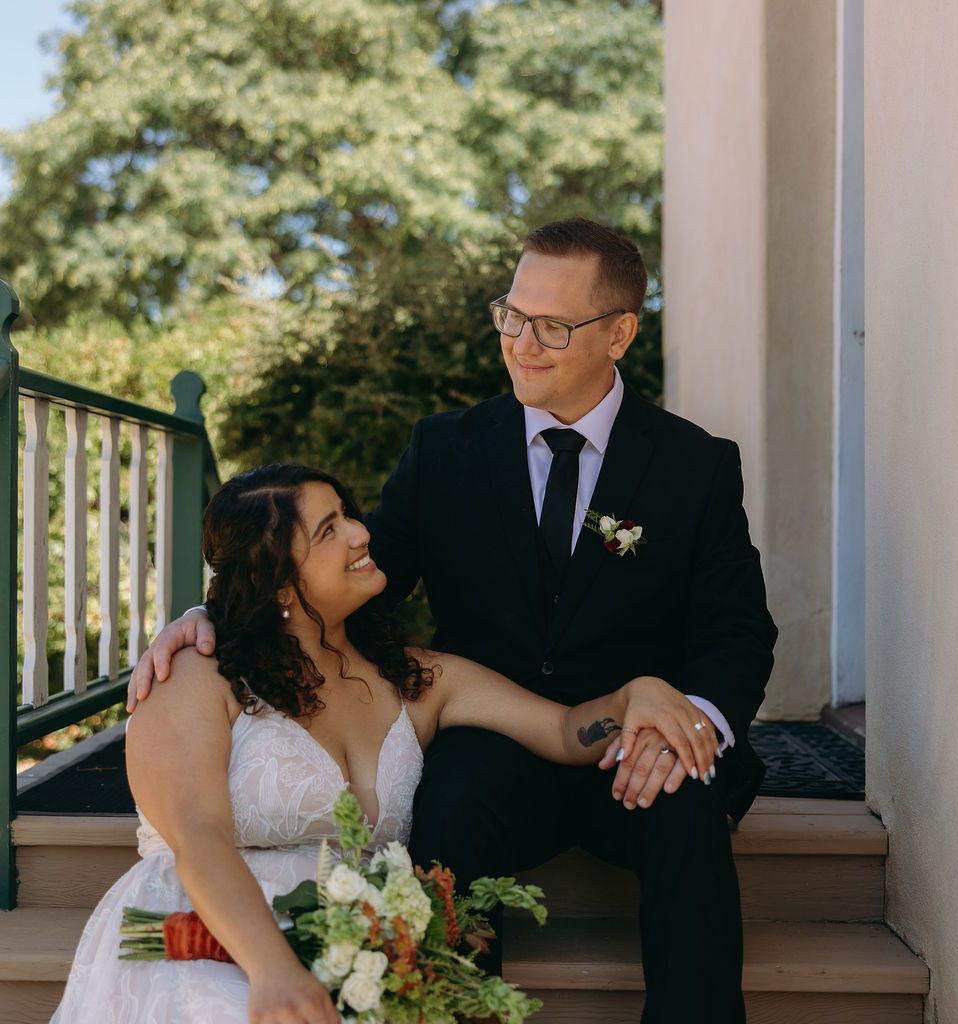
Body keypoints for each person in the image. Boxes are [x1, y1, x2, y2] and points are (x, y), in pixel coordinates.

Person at [129, 217, 779, 1023]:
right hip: (491, 739)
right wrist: (219, 612)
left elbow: (738, 631)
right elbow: (356, 575)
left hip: (633, 738)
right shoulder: (445, 449)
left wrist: (693, 722)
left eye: (552, 326)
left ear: (619, 334)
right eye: (512, 315)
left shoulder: (695, 464)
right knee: (450, 812)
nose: (522, 344)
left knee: (688, 807)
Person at [52, 464, 709, 1024]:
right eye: (329, 530)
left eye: (348, 514)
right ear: (278, 581)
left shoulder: (416, 678)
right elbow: (199, 836)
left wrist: (633, 700)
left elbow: (564, 731)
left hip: (359, 952)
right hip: (200, 935)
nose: (361, 533)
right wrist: (274, 971)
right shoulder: (198, 672)